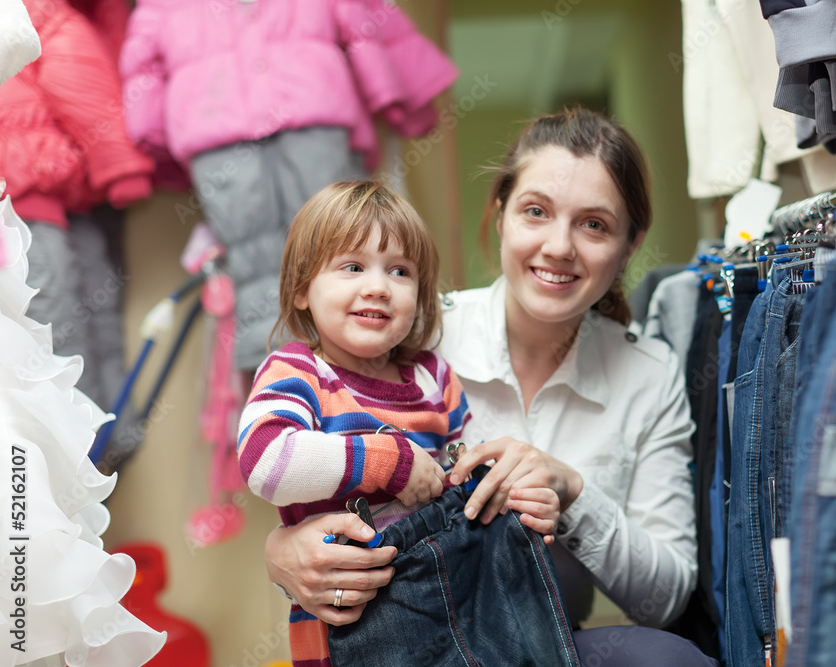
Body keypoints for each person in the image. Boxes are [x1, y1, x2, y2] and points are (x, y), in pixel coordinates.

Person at [262, 109, 719, 666]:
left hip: (535, 639)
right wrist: (281, 551)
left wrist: (573, 491)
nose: (559, 247)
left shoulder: (650, 374)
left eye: (594, 224)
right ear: (500, 215)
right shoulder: (406, 339)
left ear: (629, 245)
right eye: (536, 212)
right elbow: (304, 470)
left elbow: (667, 597)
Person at [237, 181, 563, 664]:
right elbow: (265, 461)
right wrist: (387, 459)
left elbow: (468, 472)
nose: (377, 286)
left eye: (399, 271)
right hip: (353, 614)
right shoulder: (299, 371)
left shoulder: (433, 375)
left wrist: (514, 494)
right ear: (303, 289)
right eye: (352, 267)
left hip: (463, 603)